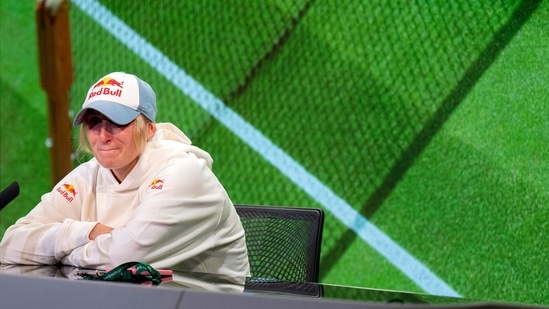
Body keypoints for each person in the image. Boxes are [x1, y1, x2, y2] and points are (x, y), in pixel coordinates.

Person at [0, 72, 250, 279]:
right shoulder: (87, 176)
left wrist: (63, 256)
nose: (103, 135)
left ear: (149, 129)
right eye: (94, 122)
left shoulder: (184, 172)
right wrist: (89, 232)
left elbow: (124, 258)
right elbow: (10, 246)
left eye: (117, 122)